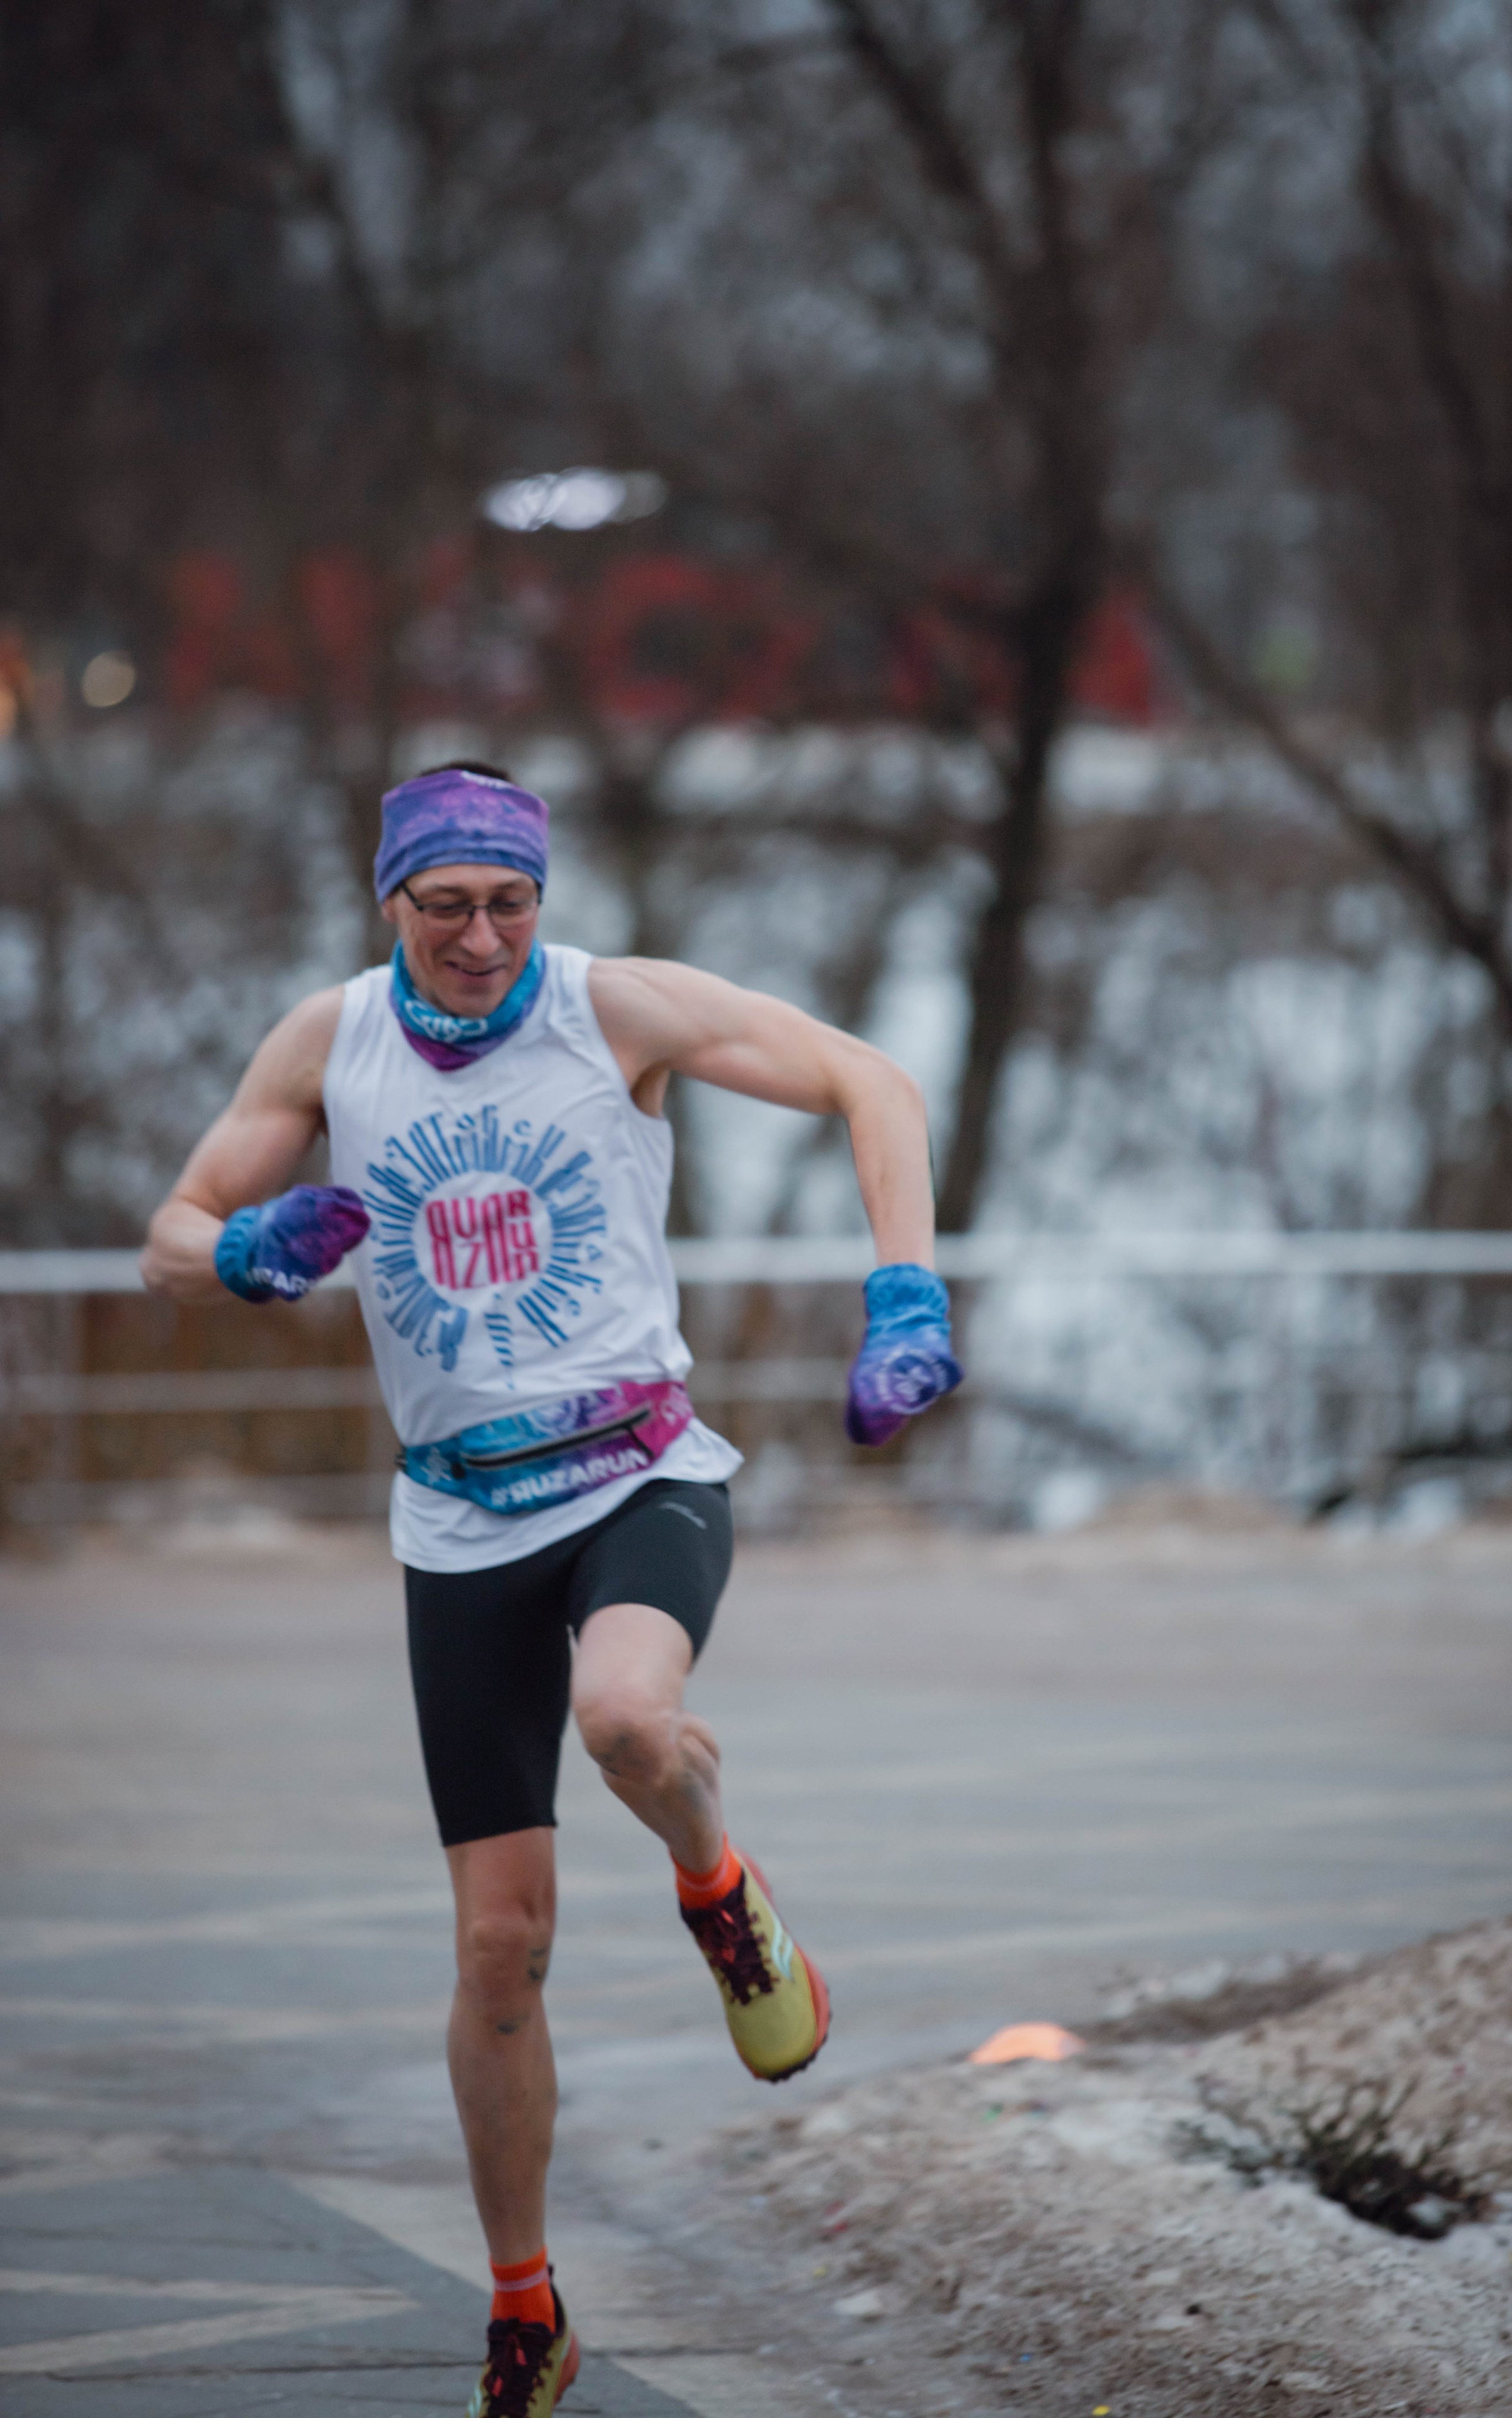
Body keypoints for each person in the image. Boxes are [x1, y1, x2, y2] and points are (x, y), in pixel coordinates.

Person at [140, 763, 962, 2418]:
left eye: (510, 903)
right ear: (390, 903)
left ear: (542, 898)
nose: (482, 939)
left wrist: (904, 1294)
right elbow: (170, 1224)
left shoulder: (618, 1010)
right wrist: (237, 1258)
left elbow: (872, 1079)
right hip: (457, 1530)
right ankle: (528, 2310)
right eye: (445, 907)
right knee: (498, 1952)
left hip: (640, 1475)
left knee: (626, 1717)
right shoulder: (328, 1042)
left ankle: (719, 1890)